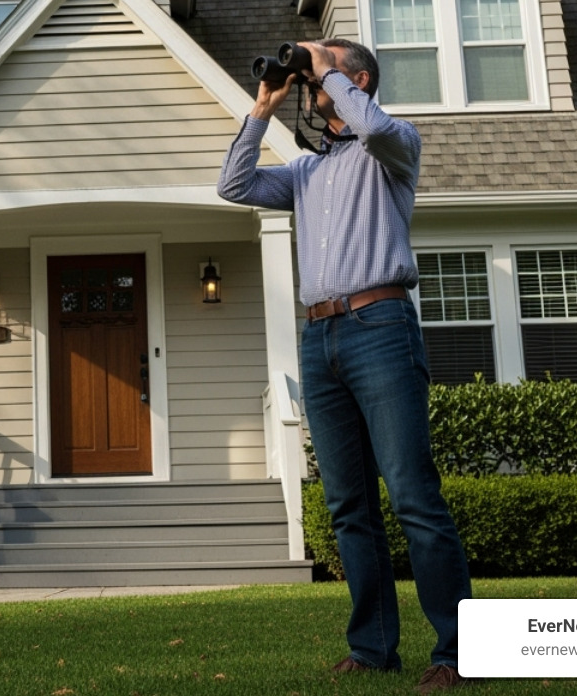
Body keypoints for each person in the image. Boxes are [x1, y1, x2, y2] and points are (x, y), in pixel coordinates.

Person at [217, 38, 472, 694]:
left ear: (357, 78)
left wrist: (325, 65)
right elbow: (233, 184)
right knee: (348, 506)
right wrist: (264, 106)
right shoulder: (306, 173)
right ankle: (373, 648)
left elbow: (375, 124)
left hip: (380, 328)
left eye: (326, 66)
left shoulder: (393, 148)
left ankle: (457, 651)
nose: (311, 76)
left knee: (413, 496)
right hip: (319, 339)